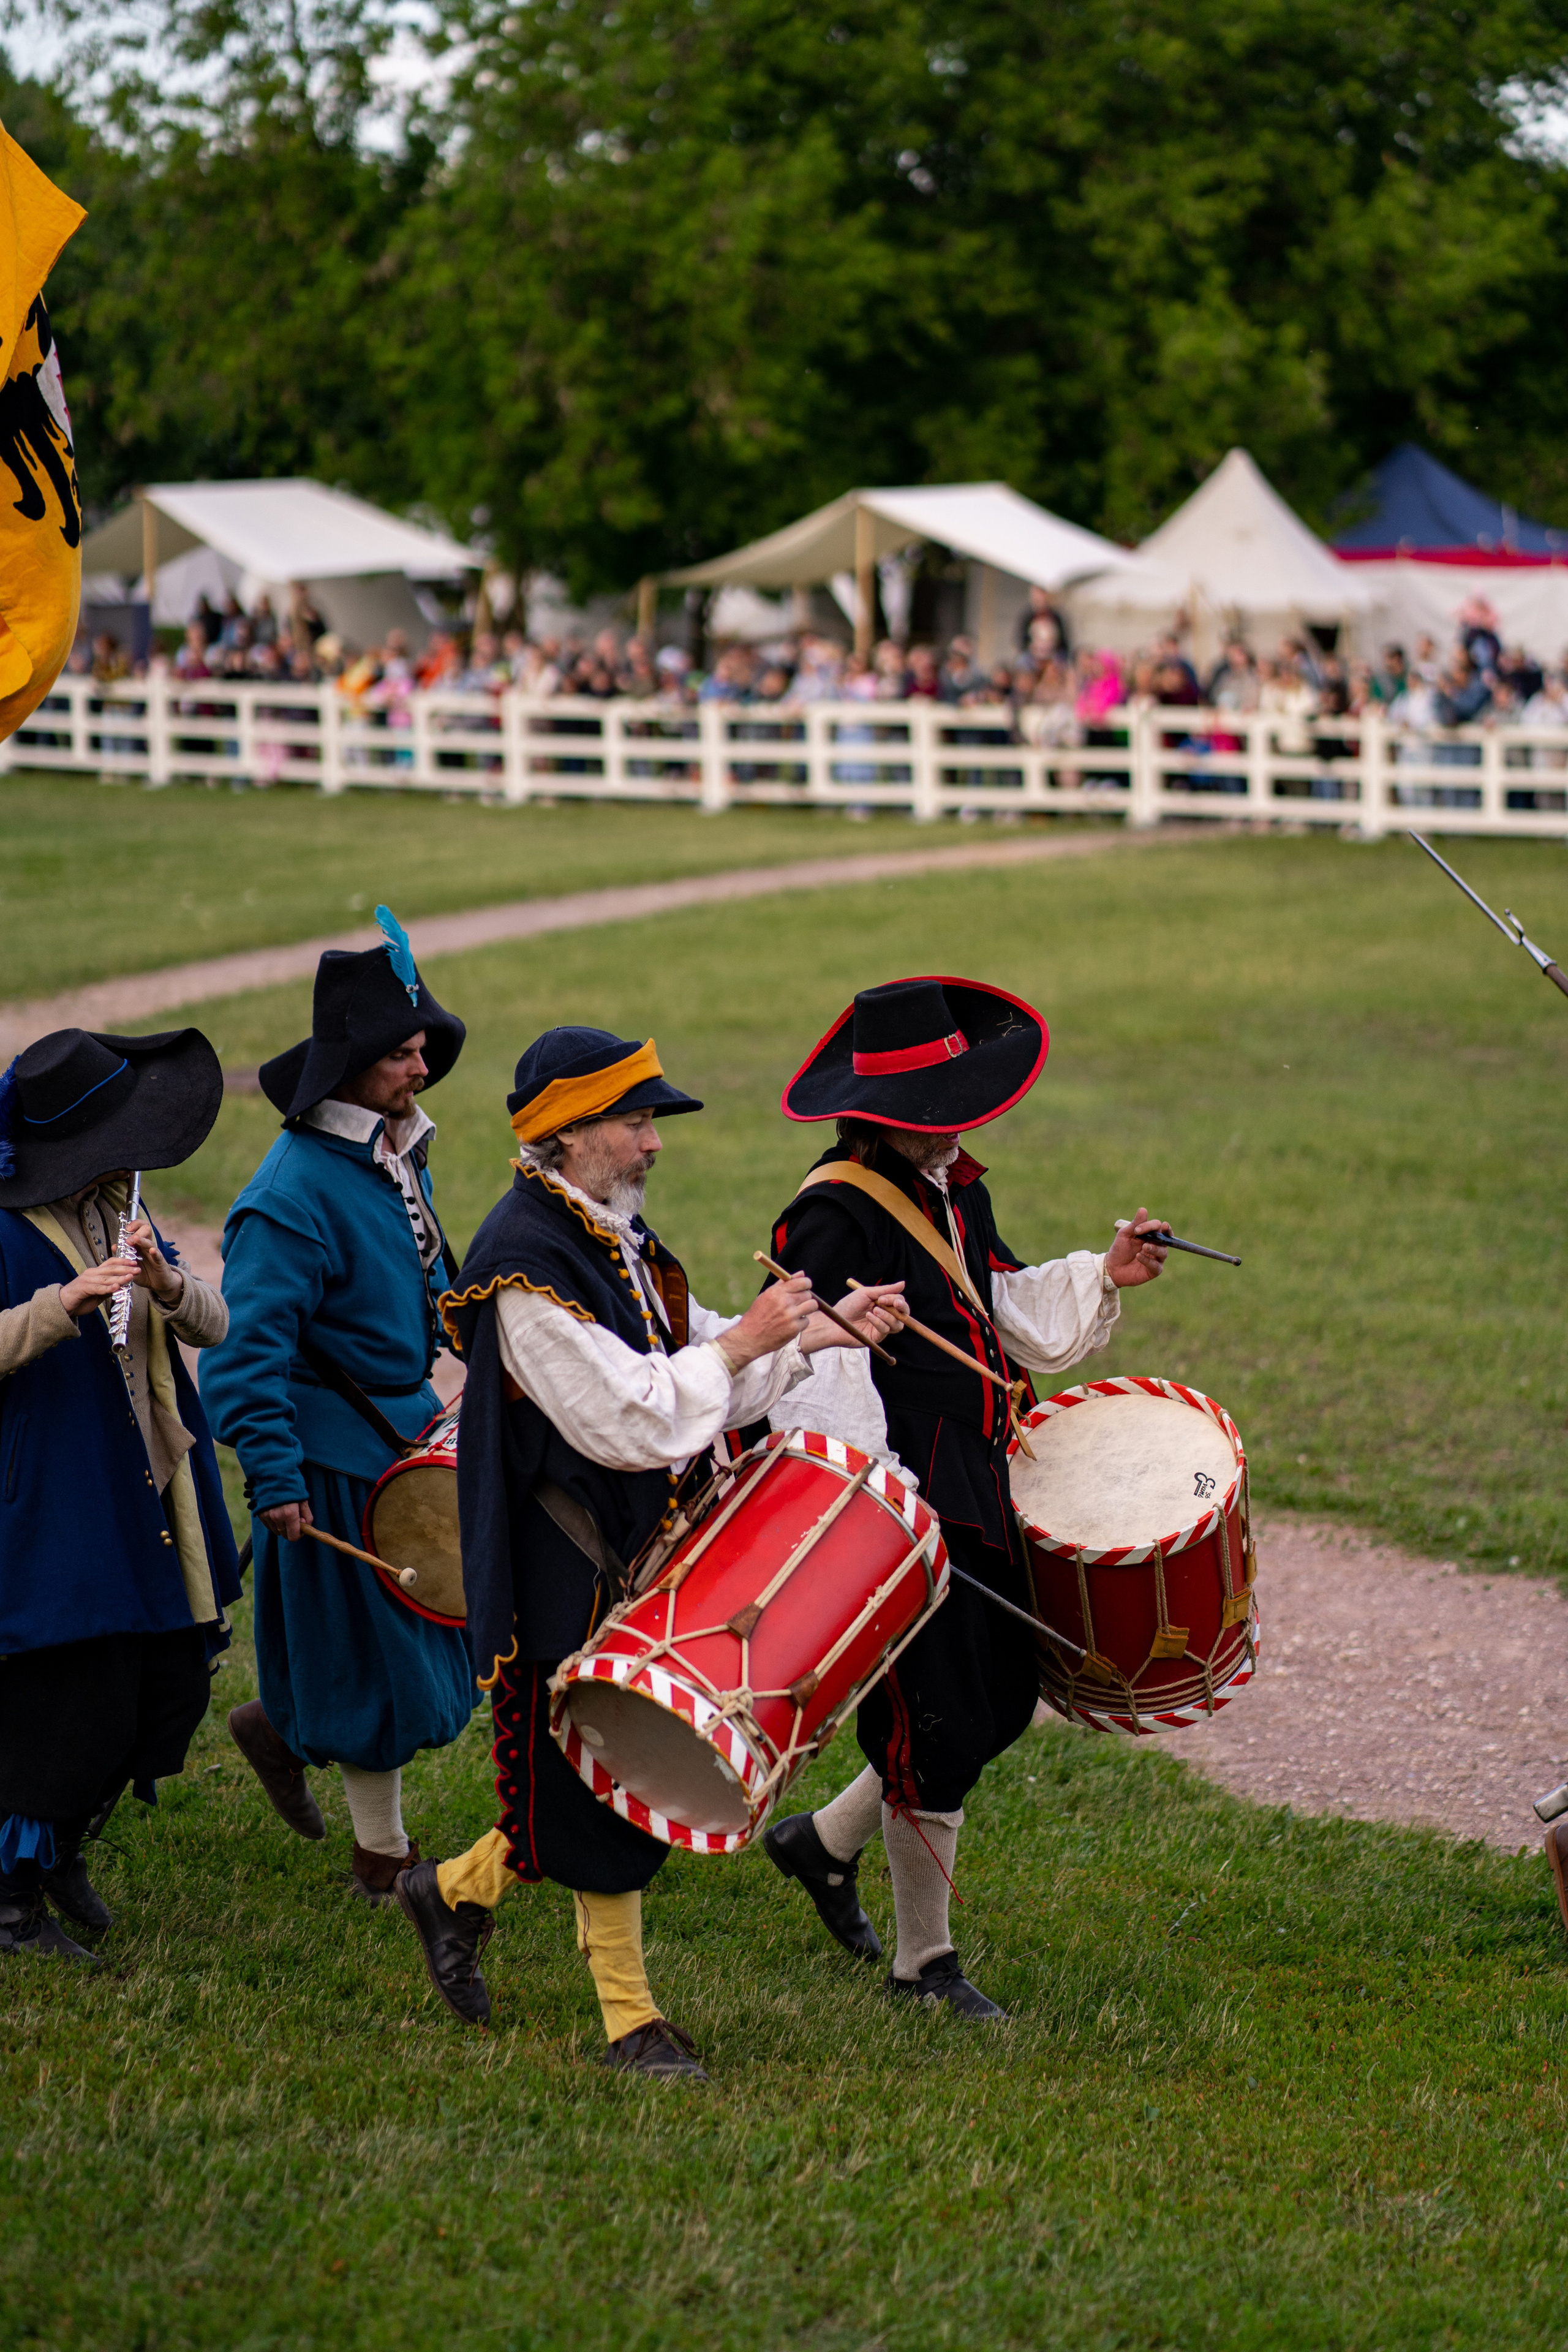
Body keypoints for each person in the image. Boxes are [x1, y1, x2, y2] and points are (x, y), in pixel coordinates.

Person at [393, 1027, 903, 2080]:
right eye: (633, 1122)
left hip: (630, 1550)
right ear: (568, 1135)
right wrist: (745, 1345)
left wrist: (811, 1330)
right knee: (599, 1781)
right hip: (556, 1566)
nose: (651, 1143)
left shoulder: (609, 1230)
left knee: (587, 1781)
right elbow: (630, 1418)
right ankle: (631, 2023)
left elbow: (683, 1353)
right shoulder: (522, 1273)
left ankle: (449, 1893)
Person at [756, 978, 1169, 2020]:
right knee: (934, 1725)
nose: (968, 1121)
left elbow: (997, 1299)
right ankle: (924, 1965)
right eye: (945, 1106)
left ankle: (821, 1844)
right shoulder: (832, 1215)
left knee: (1001, 1700)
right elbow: (813, 1371)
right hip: (899, 1503)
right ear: (889, 1114)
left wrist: (1105, 1271)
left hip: (980, 1483)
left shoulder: (952, 1185)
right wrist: (876, 1512)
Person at [202, 911, 473, 1904]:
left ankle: (276, 1725)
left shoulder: (397, 1153)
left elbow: (419, 1276)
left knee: (424, 1651)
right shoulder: (289, 1197)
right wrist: (275, 1476)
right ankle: (384, 1858)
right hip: (326, 1463)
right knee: (381, 1672)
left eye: (422, 1051)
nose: (419, 1071)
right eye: (402, 1055)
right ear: (351, 1064)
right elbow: (244, 1356)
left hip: (400, 1444)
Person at [0, 1026, 241, 1961]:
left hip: (151, 1489)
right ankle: (13, 1898)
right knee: (75, 1700)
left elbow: (212, 1325)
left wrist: (169, 1282)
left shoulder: (119, 1211)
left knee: (168, 1686)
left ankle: (60, 1850)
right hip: (57, 1498)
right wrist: (60, 1309)